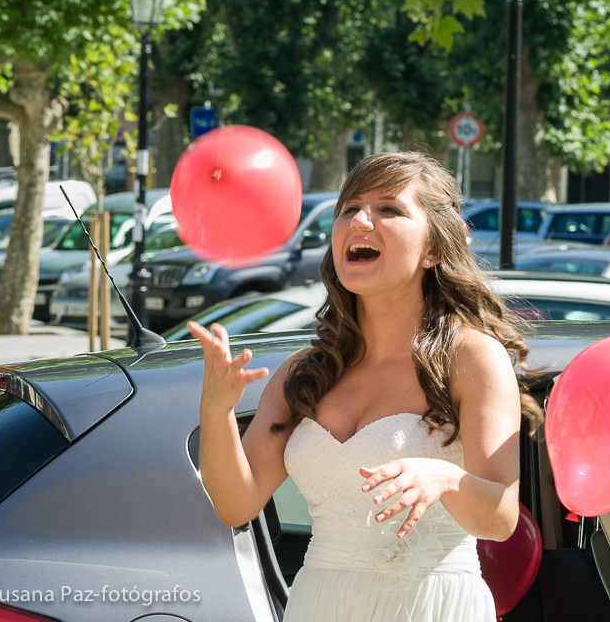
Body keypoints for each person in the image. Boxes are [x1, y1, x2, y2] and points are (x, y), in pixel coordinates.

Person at [188, 151, 543, 621]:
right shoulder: (304, 372)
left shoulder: (471, 357)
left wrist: (447, 478)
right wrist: (215, 414)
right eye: (349, 207)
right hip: (319, 605)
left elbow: (500, 520)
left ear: (434, 249)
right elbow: (236, 505)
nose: (359, 220)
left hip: (429, 607)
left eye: (389, 209)